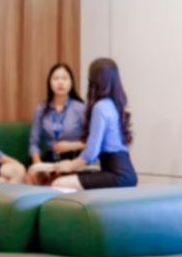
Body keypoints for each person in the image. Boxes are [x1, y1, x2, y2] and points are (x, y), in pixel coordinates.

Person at [51, 58, 137, 190]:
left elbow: (92, 152)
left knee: (58, 183)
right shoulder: (115, 105)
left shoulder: (100, 107)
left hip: (116, 175)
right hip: (127, 174)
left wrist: (70, 165)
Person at [26, 64, 85, 185]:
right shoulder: (41, 109)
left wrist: (70, 146)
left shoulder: (80, 108)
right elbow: (34, 143)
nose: (60, 82)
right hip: (50, 160)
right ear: (50, 82)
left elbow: (91, 143)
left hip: (73, 160)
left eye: (64, 78)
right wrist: (38, 165)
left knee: (58, 182)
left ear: (71, 82)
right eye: (56, 78)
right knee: (30, 176)